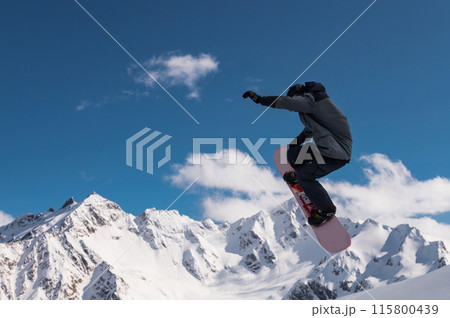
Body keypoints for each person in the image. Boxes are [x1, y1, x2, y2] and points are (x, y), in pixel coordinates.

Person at [243, 81, 352, 226]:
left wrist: (260, 99)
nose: (293, 108)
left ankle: (327, 210)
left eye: (295, 101)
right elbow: (309, 131)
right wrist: (293, 144)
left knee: (305, 177)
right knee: (293, 154)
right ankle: (300, 176)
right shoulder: (314, 108)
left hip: (337, 153)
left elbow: (286, 102)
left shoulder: (310, 100)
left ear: (299, 95)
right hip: (326, 148)